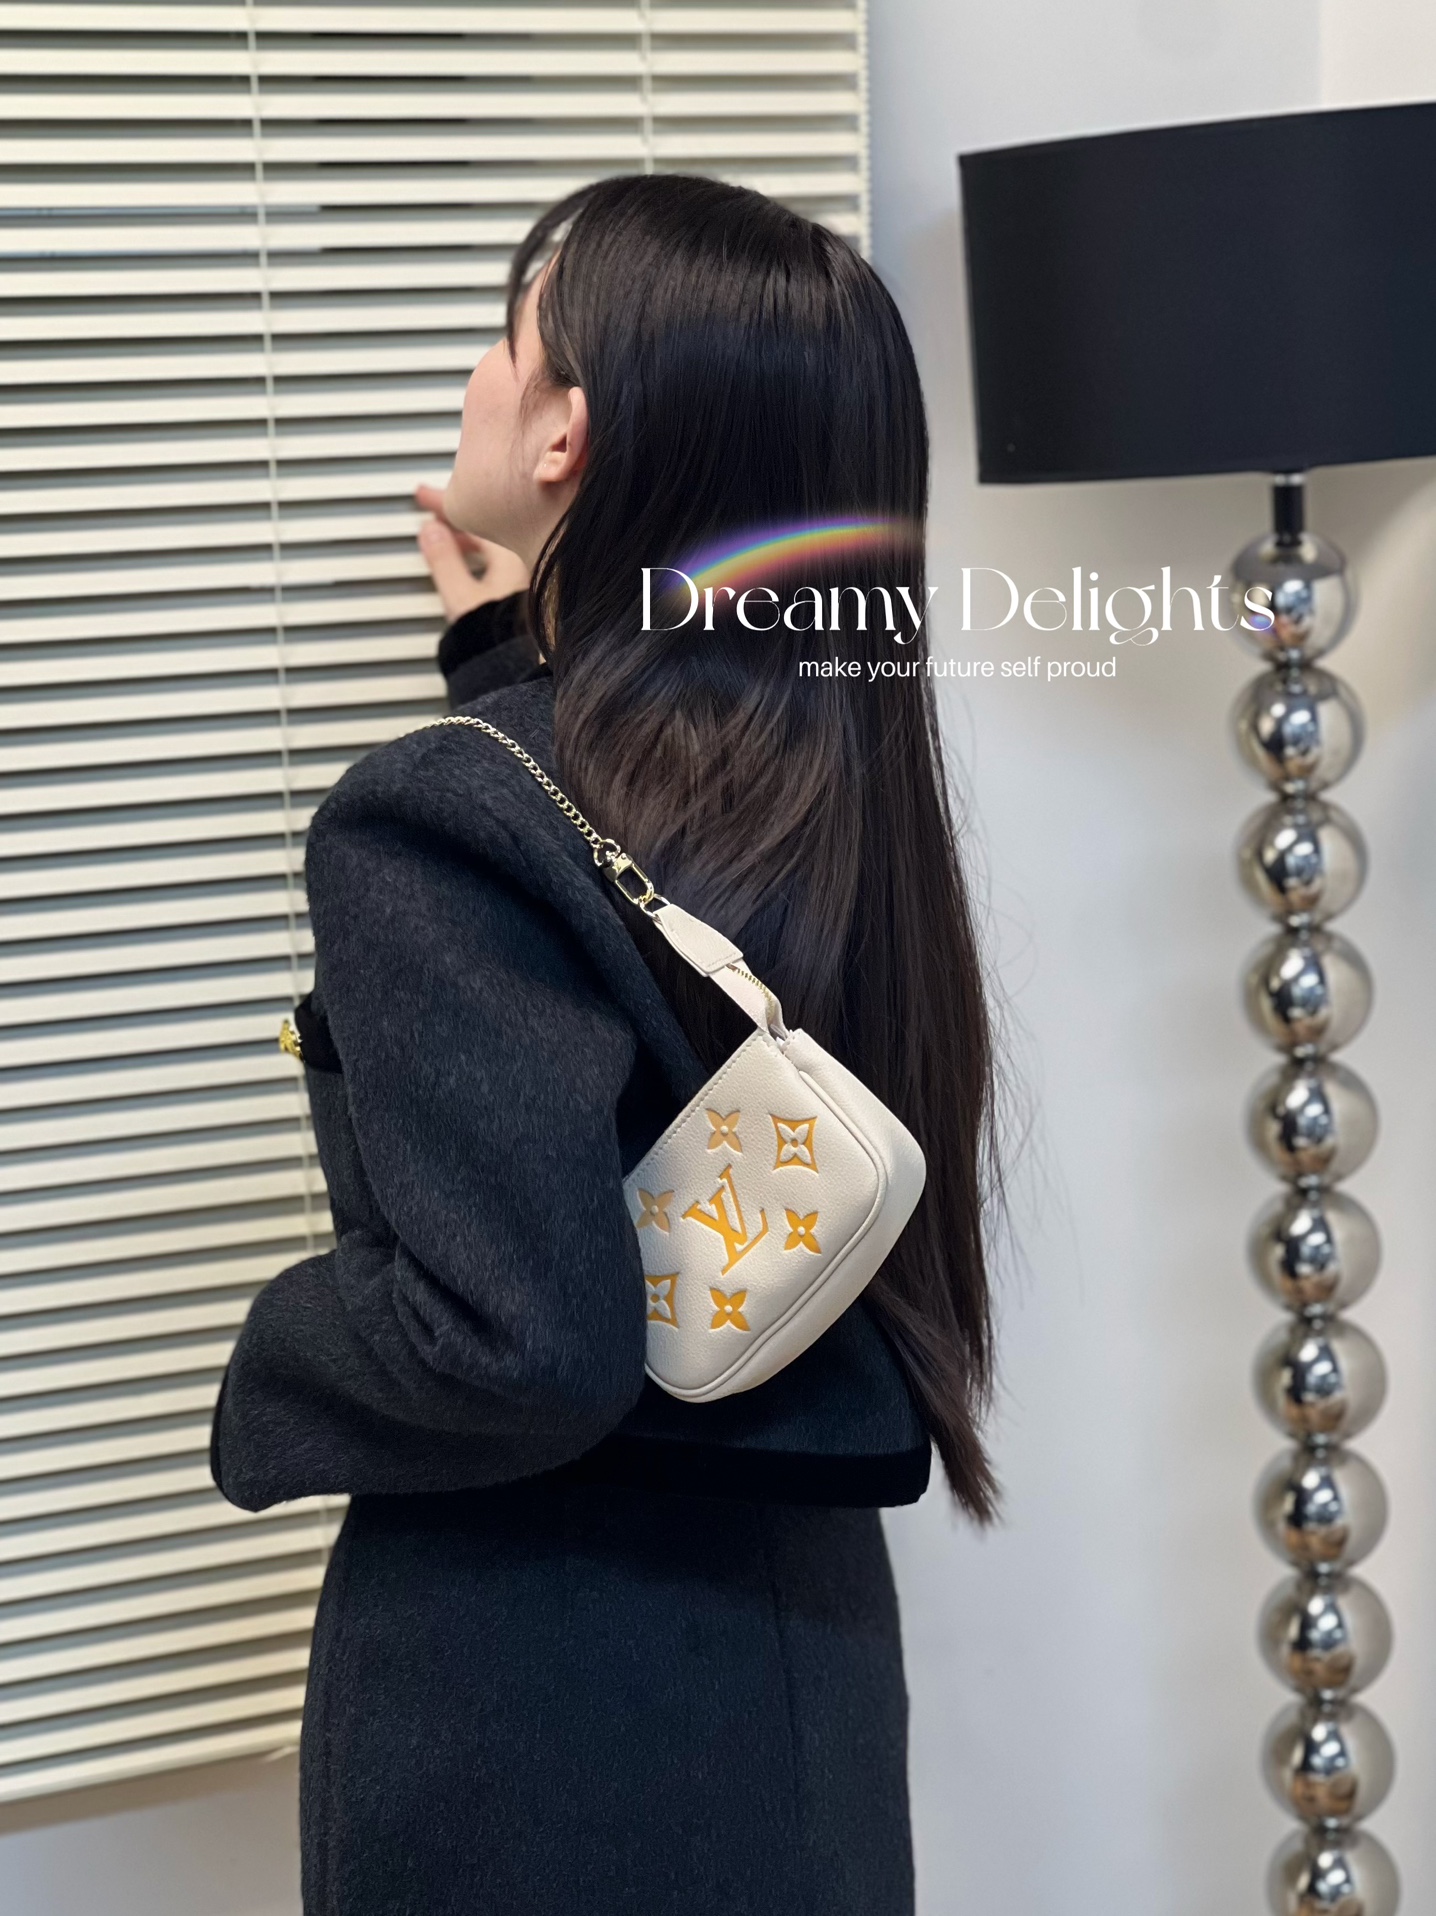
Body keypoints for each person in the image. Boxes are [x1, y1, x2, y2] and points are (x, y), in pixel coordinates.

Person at [211, 172, 1000, 1916]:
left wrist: (273, 1357)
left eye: (509, 341)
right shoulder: (843, 784)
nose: (480, 379)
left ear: (566, 432)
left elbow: (522, 1345)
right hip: (795, 1682)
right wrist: (504, 658)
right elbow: (651, 944)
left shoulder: (426, 824)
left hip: (530, 1712)